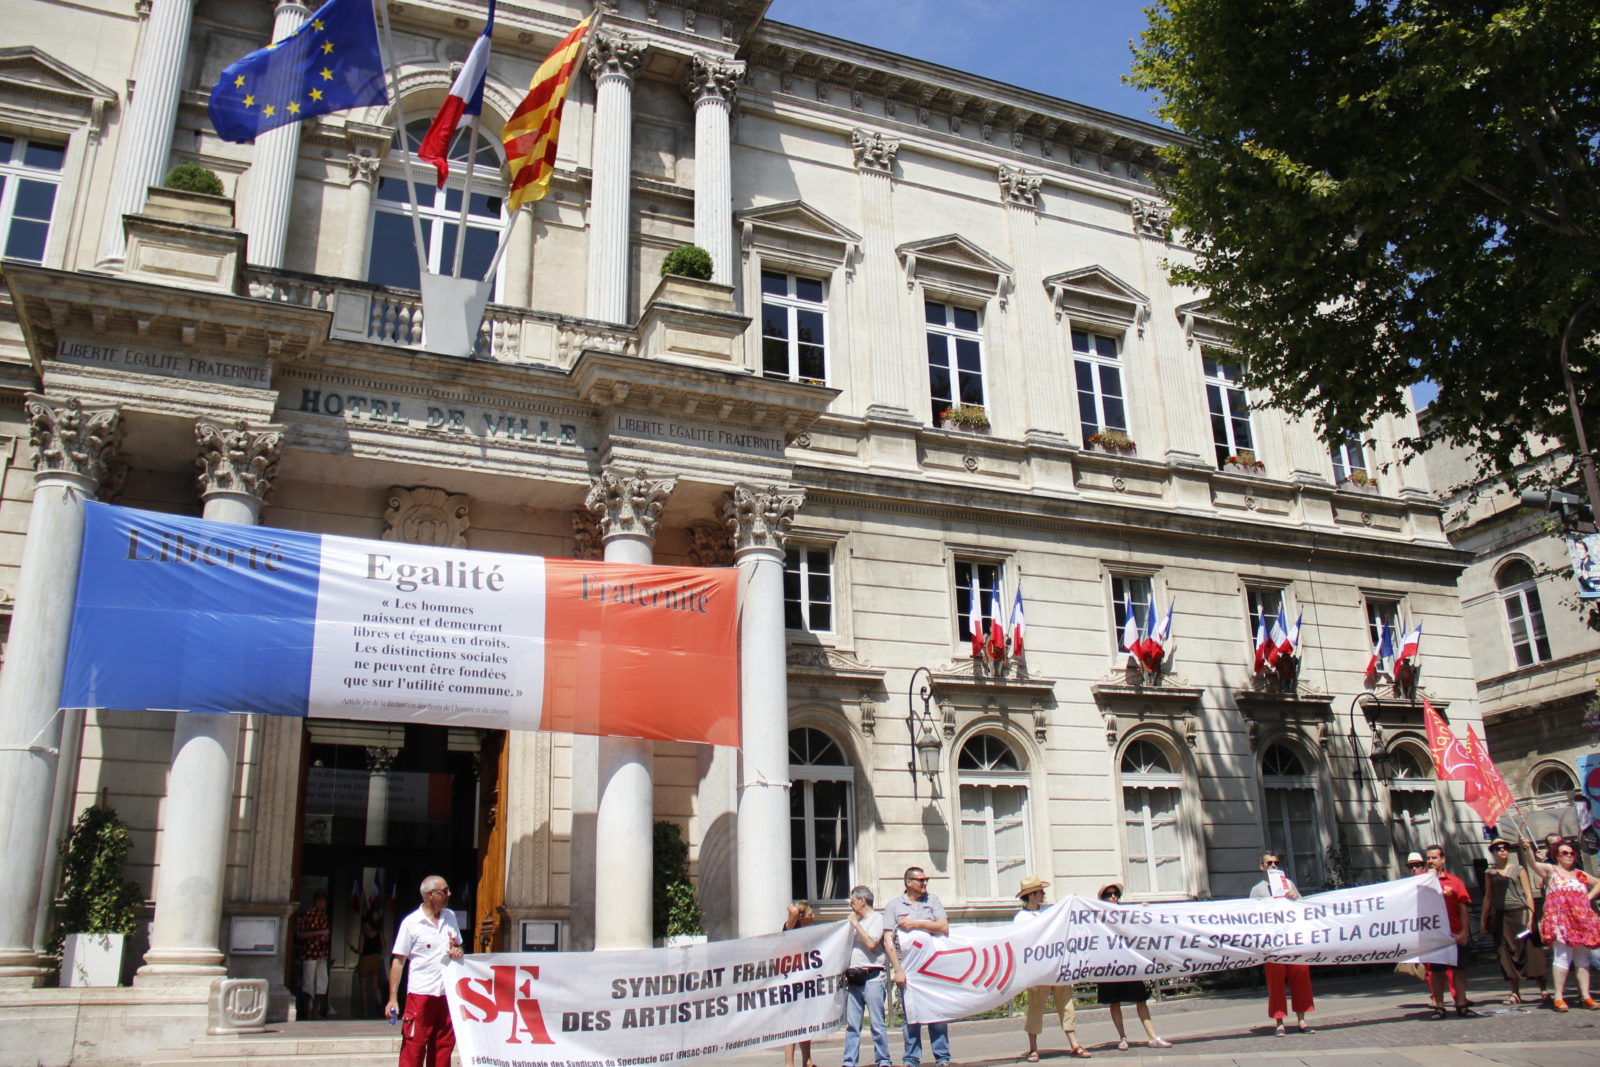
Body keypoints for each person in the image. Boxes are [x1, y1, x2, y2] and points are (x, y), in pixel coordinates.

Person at [387, 875, 465, 1067]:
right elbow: (399, 961)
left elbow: (460, 947)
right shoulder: (411, 923)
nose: (449, 894)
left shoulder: (450, 917)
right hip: (421, 994)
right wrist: (393, 999)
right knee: (414, 1048)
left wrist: (458, 950)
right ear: (431, 895)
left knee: (443, 1048)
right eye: (444, 891)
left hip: (446, 993)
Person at [1520, 836, 1600, 1011]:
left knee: (1582, 958)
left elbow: (1598, 883)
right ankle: (1558, 997)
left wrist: (1587, 897)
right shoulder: (1551, 869)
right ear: (1557, 855)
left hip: (1581, 920)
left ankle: (1586, 996)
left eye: (1572, 853)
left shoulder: (1579, 874)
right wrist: (1527, 849)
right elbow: (1533, 865)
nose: (1570, 856)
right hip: (1562, 920)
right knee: (1562, 957)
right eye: (1565, 853)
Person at [1015, 875, 1089, 1059]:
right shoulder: (1021, 919)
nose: (1043, 893)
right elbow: (1021, 947)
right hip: (1037, 970)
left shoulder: (1050, 911)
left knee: (1066, 1004)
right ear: (1031, 895)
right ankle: (1033, 1048)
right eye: (1040, 891)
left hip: (1056, 966)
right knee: (1036, 1008)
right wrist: (1027, 975)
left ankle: (1074, 1043)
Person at [884, 866, 952, 1067]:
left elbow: (943, 927)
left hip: (932, 966)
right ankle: (911, 1058)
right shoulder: (894, 906)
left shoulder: (932, 901)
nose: (925, 883)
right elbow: (888, 939)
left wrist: (915, 924)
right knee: (912, 1015)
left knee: (937, 1012)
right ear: (908, 882)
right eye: (921, 880)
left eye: (926, 879)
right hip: (909, 968)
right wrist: (897, 969)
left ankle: (942, 1057)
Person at [1094, 884, 1170, 1050]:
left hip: (1128, 963)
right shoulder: (1099, 916)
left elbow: (1138, 923)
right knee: (1114, 1002)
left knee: (1140, 999)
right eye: (1109, 894)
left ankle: (1152, 1036)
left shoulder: (1125, 912)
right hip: (1109, 965)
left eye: (1116, 894)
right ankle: (1122, 1037)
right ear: (1103, 898)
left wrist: (1143, 911)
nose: (1113, 897)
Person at [1249, 851, 1314, 1035]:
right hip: (1274, 943)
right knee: (1276, 984)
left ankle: (1302, 1020)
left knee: (1301, 979)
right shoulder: (1258, 890)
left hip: (1293, 940)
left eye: (1276, 863)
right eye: (1269, 863)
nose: (1274, 866)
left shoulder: (1289, 884)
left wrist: (1295, 897)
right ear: (1262, 867)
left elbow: (1303, 908)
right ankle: (1279, 1022)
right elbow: (1252, 915)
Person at [1481, 838, 1547, 1006]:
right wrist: (1483, 919)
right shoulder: (1490, 873)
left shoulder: (1519, 869)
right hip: (1502, 917)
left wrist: (1531, 916)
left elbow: (1528, 893)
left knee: (1532, 951)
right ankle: (1514, 992)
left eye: (1505, 848)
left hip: (1521, 913)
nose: (1502, 850)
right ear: (1493, 852)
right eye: (1498, 848)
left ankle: (1543, 990)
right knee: (1506, 953)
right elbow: (1488, 898)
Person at [842, 886, 901, 1067]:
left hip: (872, 977)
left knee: (877, 1023)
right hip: (853, 978)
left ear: (862, 900)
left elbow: (870, 943)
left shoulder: (877, 919)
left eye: (853, 901)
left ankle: (883, 1060)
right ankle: (849, 1061)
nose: (851, 905)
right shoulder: (854, 922)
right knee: (852, 1025)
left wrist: (856, 925)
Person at [1422, 844, 1480, 1019]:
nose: (1431, 861)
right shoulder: (1421, 882)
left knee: (1459, 970)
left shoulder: (1455, 882)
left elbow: (1463, 908)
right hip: (1434, 936)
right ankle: (1439, 1006)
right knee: (1437, 972)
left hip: (1454, 933)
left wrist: (1464, 932)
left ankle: (1461, 1003)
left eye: (1434, 858)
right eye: (1429, 858)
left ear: (1443, 860)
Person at [783, 902, 818, 1067]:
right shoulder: (789, 929)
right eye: (811, 914)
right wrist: (798, 909)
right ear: (802, 917)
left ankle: (807, 1060)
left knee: (805, 1022)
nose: (814, 917)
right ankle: (789, 1063)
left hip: (806, 983)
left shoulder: (811, 934)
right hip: (790, 984)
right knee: (791, 1024)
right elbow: (794, 911)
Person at [294, 889, 331, 1021]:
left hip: (321, 954)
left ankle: (316, 1010)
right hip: (310, 953)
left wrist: (324, 937)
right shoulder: (309, 915)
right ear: (315, 901)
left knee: (322, 981)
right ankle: (307, 1011)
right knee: (308, 982)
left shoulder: (323, 916)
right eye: (319, 900)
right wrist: (320, 933)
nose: (322, 903)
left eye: (323, 901)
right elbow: (301, 935)